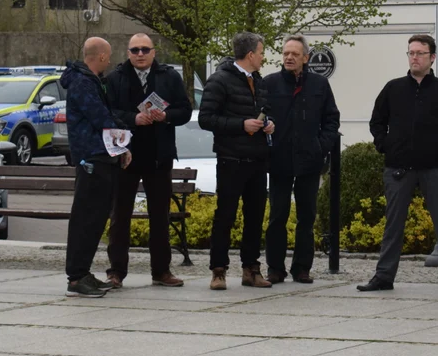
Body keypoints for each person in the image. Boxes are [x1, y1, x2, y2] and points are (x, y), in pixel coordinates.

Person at [357, 34, 438, 293]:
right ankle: (384, 276)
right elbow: (376, 122)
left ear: (432, 57)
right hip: (398, 168)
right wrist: (385, 146)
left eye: (420, 53)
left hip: (434, 168)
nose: (415, 57)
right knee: (393, 224)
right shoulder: (393, 88)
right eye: (411, 53)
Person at [104, 33, 192, 289]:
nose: (140, 54)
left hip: (158, 157)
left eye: (145, 49)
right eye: (135, 50)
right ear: (128, 53)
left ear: (154, 52)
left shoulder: (170, 77)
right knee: (120, 216)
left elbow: (185, 110)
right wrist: (133, 119)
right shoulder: (115, 78)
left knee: (160, 216)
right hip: (125, 157)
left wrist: (164, 116)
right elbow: (108, 112)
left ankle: (161, 271)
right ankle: (116, 272)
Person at [198, 31, 276, 290]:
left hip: (257, 160)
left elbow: (265, 112)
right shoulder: (219, 80)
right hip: (231, 159)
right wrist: (241, 125)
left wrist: (268, 125)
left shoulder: (259, 82)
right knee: (226, 216)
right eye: (262, 52)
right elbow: (206, 119)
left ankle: (251, 269)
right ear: (251, 54)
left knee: (255, 217)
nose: (264, 57)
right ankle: (218, 271)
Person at [263, 35, 340, 284]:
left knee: (307, 217)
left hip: (309, 161)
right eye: (286, 53)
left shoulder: (319, 85)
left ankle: (302, 268)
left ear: (305, 58)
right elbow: (260, 115)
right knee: (278, 216)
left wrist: (321, 146)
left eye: (295, 54)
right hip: (279, 161)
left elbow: (331, 119)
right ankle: (275, 268)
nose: (289, 57)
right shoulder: (270, 83)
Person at [60, 37, 131, 298]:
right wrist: (126, 128)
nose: (110, 61)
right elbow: (101, 118)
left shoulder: (89, 81)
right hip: (91, 159)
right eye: (108, 56)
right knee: (86, 219)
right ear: (100, 57)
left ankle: (83, 272)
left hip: (101, 157)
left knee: (96, 218)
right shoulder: (82, 83)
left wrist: (120, 148)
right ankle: (76, 278)